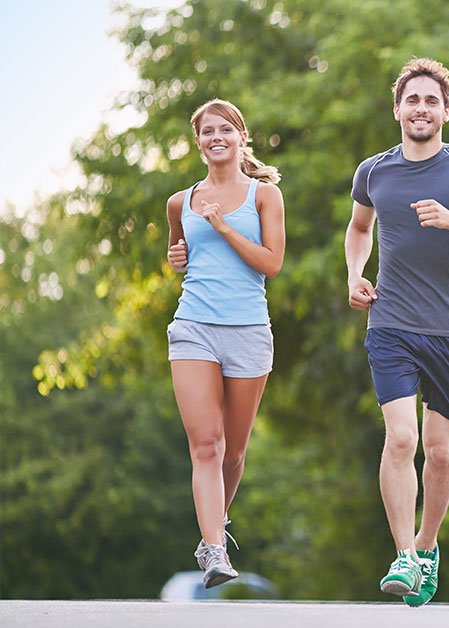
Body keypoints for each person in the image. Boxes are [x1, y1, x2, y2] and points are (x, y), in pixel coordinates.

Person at [345, 57, 449, 606]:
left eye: (431, 100)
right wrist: (354, 273)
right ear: (397, 110)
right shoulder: (374, 171)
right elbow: (359, 228)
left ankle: (428, 544)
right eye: (412, 99)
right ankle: (405, 557)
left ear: (446, 111)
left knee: (439, 451)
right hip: (391, 324)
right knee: (402, 439)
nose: (421, 108)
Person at [165, 99, 285, 588]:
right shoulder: (181, 201)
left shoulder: (265, 196)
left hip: (249, 331)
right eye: (207, 132)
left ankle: (217, 523)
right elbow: (178, 252)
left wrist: (221, 226)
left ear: (241, 136)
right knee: (207, 446)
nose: (217, 137)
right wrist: (176, 257)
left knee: (234, 453)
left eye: (225, 129)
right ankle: (213, 549)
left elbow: (271, 263)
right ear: (198, 143)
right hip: (193, 326)